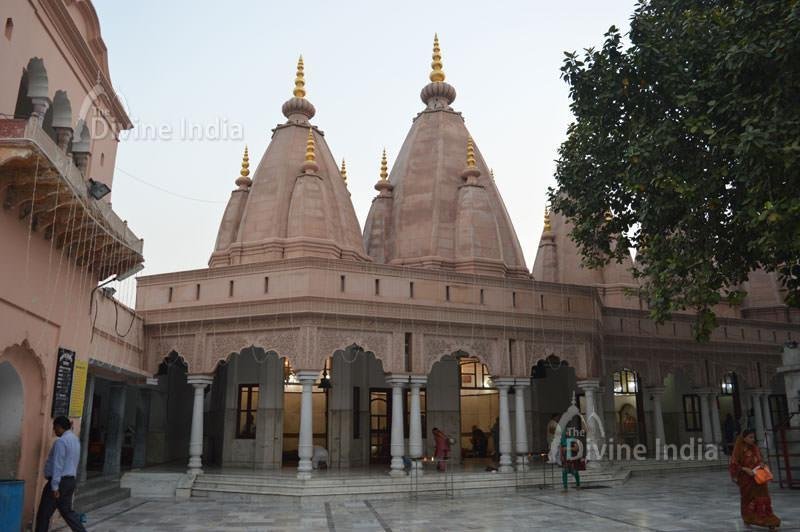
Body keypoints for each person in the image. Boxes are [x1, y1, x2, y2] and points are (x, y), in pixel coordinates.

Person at [35, 416, 86, 532]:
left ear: (58, 427)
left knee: (44, 514)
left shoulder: (61, 442)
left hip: (59, 482)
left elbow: (58, 465)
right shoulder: (75, 439)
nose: (54, 431)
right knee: (67, 512)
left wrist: (55, 486)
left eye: (54, 428)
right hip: (70, 481)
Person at [729, 429, 781, 530]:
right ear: (744, 438)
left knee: (763, 497)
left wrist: (761, 463)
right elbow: (734, 465)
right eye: (750, 437)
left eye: (753, 437)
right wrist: (745, 469)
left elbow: (760, 459)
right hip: (746, 479)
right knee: (748, 499)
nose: (753, 439)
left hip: (758, 478)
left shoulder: (755, 448)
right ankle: (749, 518)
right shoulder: (739, 449)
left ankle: (766, 519)